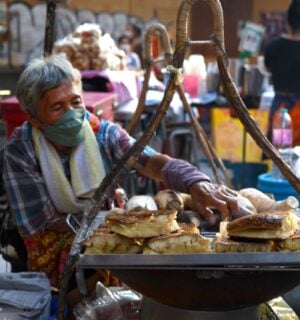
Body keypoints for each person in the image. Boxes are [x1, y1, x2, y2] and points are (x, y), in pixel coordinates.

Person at [0, 55, 242, 316]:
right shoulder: (20, 150)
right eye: (58, 108)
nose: (72, 113)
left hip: (102, 225)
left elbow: (152, 162)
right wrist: (117, 223)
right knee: (92, 277)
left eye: (75, 101)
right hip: (52, 241)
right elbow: (45, 223)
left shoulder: (102, 132)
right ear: (36, 118)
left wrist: (195, 182)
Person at [264, 0, 300, 146]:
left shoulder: (273, 46)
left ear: (288, 21)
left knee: (279, 156)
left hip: (280, 108)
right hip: (298, 112)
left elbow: (268, 69)